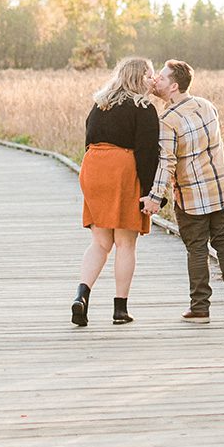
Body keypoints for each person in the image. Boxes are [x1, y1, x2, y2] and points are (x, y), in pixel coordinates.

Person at [141, 59, 224, 323]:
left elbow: (167, 162)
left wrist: (155, 198)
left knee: (197, 248)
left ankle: (200, 307)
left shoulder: (167, 120)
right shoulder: (207, 106)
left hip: (192, 196)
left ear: (174, 86)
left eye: (162, 79)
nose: (156, 80)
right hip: (221, 189)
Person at [71, 56, 159, 327]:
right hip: (121, 169)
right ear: (141, 77)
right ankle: (120, 309)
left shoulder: (100, 103)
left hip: (94, 167)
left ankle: (81, 295)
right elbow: (147, 154)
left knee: (100, 243)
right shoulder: (143, 107)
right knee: (125, 243)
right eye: (151, 75)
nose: (153, 80)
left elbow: (88, 140)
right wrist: (150, 192)